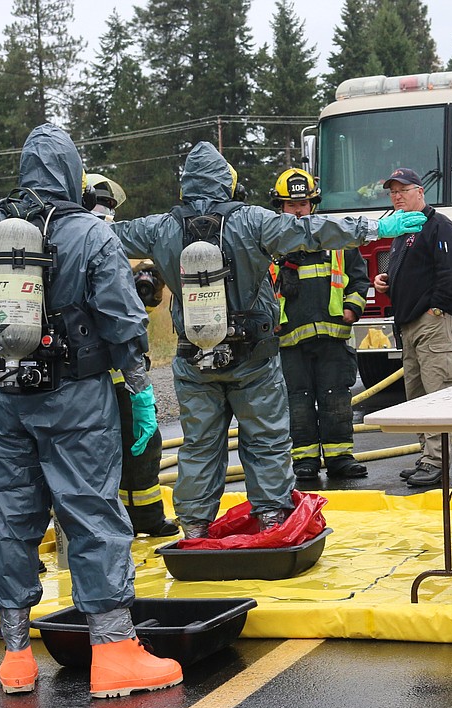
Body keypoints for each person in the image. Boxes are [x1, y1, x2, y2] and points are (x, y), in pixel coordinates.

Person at [0, 123, 182, 699]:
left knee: (12, 519)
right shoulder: (89, 234)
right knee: (93, 514)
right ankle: (114, 653)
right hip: (76, 398)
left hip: (5, 398)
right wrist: (140, 388)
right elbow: (124, 321)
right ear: (73, 172)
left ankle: (17, 658)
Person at [112, 142, 425, 538]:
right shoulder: (252, 221)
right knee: (266, 442)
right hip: (253, 357)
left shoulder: (159, 228)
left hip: (194, 360)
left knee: (199, 447)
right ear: (229, 184)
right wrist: (377, 227)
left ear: (184, 188)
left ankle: (194, 528)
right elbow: (311, 230)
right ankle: (273, 521)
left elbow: (106, 237)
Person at [83, 174, 178, 538]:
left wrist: (146, 292)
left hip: (116, 372)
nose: (107, 217)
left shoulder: (100, 247)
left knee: (140, 447)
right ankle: (118, 524)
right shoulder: (84, 249)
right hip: (99, 374)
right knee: (108, 453)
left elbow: (125, 314)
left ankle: (143, 518)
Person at [269, 168, 370, 482]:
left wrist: (353, 308)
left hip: (333, 338)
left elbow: (358, 279)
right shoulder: (269, 246)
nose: (298, 210)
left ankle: (340, 457)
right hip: (289, 341)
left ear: (313, 204)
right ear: (280, 207)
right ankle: (305, 460)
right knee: (296, 400)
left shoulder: (335, 236)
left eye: (303, 204)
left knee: (335, 397)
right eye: (290, 205)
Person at [371, 168, 452, 488]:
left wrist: (437, 309)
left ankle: (439, 461)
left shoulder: (438, 226)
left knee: (436, 394)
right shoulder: (402, 231)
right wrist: (386, 281)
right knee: (417, 398)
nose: (397, 197)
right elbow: (413, 272)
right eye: (392, 192)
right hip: (409, 324)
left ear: (420, 192)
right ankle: (427, 456)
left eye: (403, 190)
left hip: (432, 323)